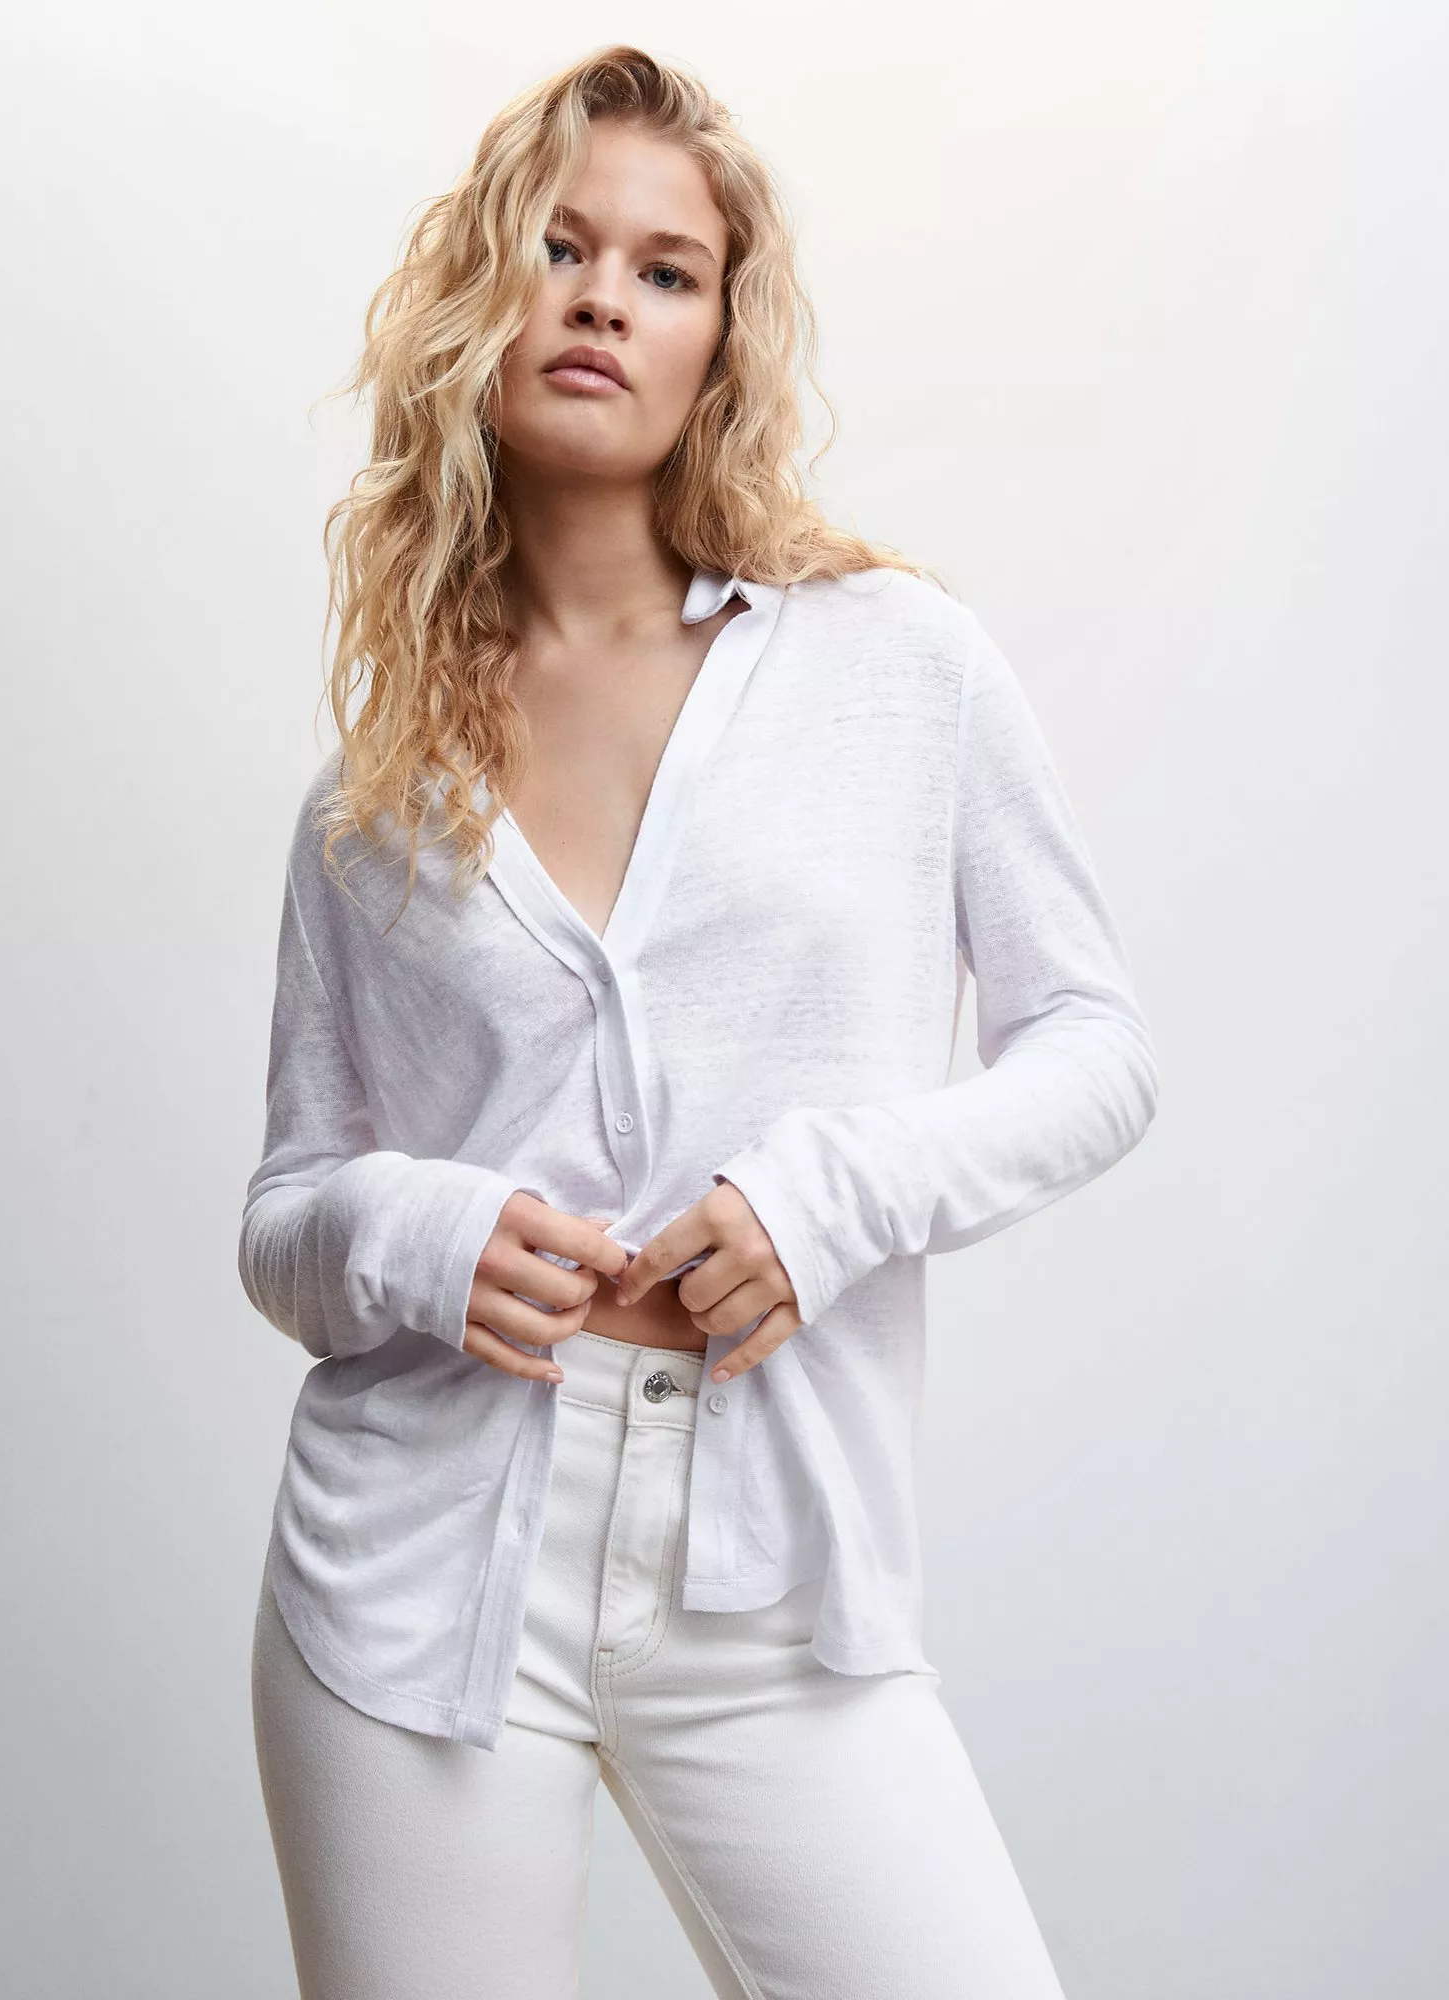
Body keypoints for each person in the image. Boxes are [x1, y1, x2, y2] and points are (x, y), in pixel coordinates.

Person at [241, 43, 1159, 2000]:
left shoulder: (895, 667)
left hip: (774, 1577)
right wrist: (421, 1231)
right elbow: (289, 1217)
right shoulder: (373, 796)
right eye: (559, 248)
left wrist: (832, 1199)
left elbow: (1097, 1048)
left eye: (666, 271)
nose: (604, 298)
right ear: (480, 298)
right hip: (417, 1582)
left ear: (719, 341)